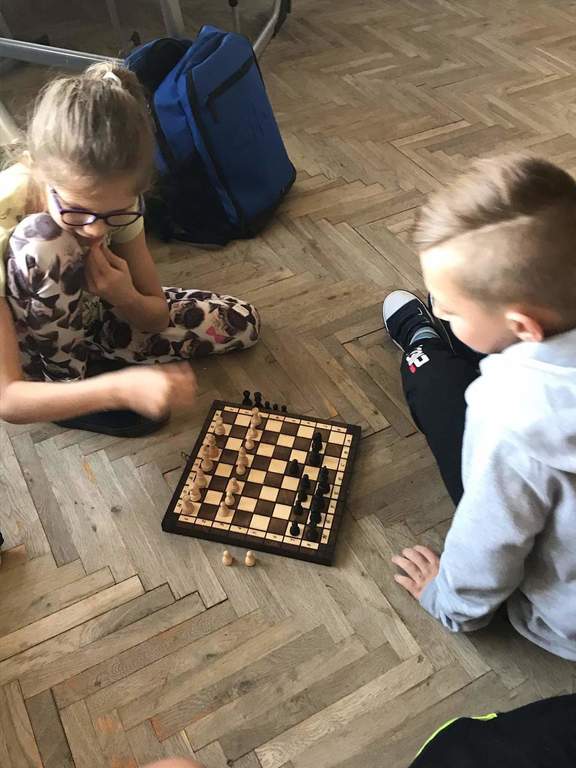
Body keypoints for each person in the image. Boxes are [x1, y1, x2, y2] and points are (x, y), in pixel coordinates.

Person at [382, 155, 576, 660]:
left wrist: (447, 600)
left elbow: (489, 541)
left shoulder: (508, 417)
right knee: (479, 343)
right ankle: (469, 329)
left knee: (435, 378)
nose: (441, 307)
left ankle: (423, 342)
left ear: (523, 326)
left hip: (562, 619)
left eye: (447, 308)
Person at [0, 64, 260, 437]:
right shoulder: (7, 211)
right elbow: (7, 400)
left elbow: (155, 316)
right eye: (77, 211)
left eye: (115, 214)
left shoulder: (118, 197)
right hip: (28, 347)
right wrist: (117, 390)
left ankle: (95, 358)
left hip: (97, 316)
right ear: (41, 173)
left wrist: (124, 296)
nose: (96, 230)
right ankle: (64, 384)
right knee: (44, 240)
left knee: (240, 322)